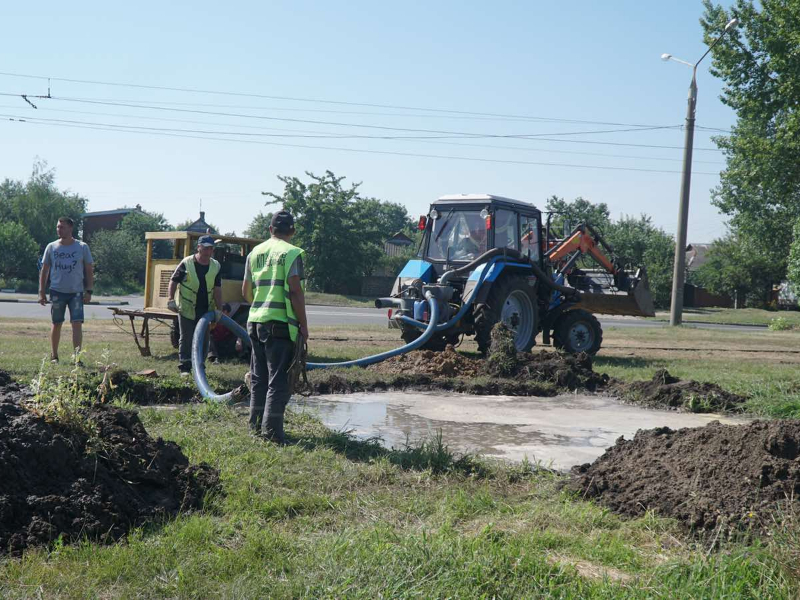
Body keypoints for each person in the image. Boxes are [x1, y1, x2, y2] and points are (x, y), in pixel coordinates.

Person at [242, 210, 309, 443]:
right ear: (292, 231)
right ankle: (272, 433)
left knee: (259, 378)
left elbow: (245, 291)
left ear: (270, 230)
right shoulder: (291, 253)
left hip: (255, 321)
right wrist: (304, 325)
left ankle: (255, 427)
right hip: (279, 326)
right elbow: (295, 292)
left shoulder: (255, 252)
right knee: (278, 380)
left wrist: (261, 307)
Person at [38, 217, 94, 363]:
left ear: (70, 228)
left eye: (62, 227)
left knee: (77, 324)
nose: (59, 229)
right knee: (56, 323)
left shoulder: (82, 247)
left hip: (76, 292)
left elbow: (89, 269)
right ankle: (54, 356)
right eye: (58, 227)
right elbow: (44, 270)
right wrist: (41, 292)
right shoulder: (51, 247)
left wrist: (89, 290)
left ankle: (77, 358)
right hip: (57, 291)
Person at [167, 235, 223, 375]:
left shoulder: (215, 265)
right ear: (199, 247)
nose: (208, 251)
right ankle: (185, 367)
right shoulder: (187, 263)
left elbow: (217, 289)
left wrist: (219, 309)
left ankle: (200, 366)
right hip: (187, 307)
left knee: (204, 338)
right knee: (186, 337)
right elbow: (173, 281)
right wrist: (170, 299)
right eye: (205, 248)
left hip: (206, 309)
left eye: (210, 248)